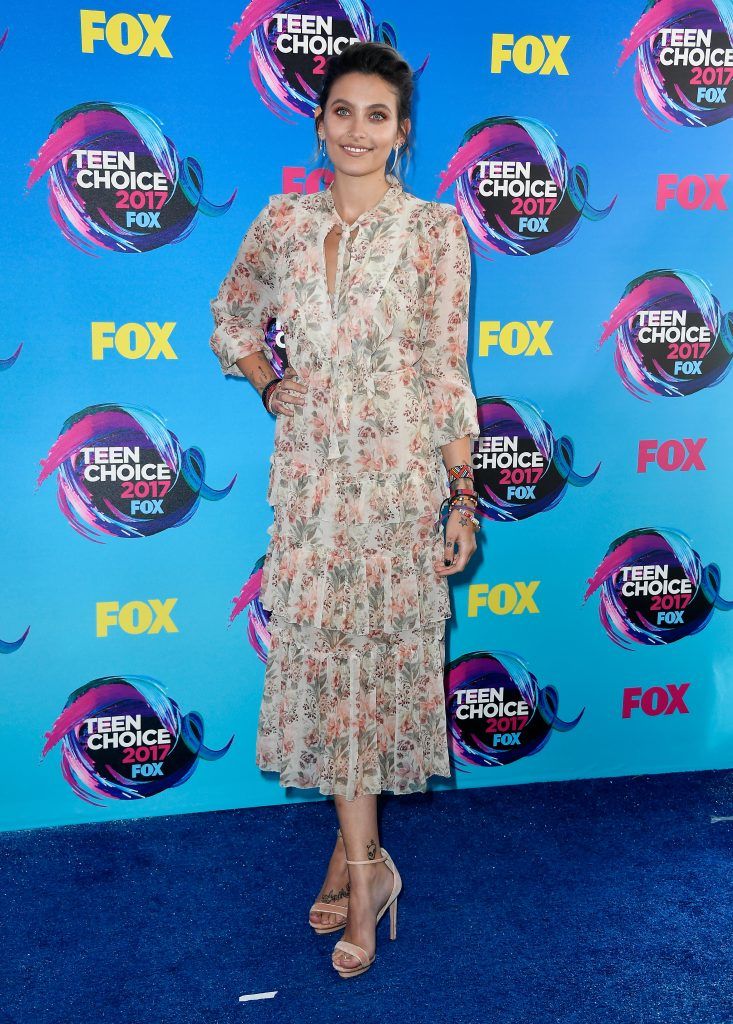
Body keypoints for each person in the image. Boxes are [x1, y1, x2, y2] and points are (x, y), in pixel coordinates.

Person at [209, 40, 481, 979]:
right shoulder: (283, 224)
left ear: (401, 134)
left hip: (398, 487)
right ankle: (364, 861)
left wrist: (461, 499)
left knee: (375, 673)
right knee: (331, 679)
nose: (357, 131)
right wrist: (265, 383)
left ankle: (361, 872)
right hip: (312, 493)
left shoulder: (436, 232)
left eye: (377, 116)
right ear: (318, 123)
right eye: (342, 112)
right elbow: (233, 312)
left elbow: (446, 373)